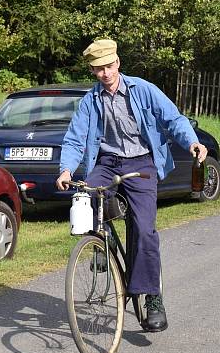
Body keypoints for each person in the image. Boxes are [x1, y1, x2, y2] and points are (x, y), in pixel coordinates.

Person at [56, 38, 207, 332]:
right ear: (92, 70)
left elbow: (172, 118)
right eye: (98, 69)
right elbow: (75, 138)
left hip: (141, 163)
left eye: (109, 66)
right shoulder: (91, 100)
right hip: (107, 162)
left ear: (118, 63)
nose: (105, 73)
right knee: (84, 196)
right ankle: (102, 247)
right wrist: (66, 169)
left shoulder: (143, 90)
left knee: (145, 230)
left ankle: (152, 298)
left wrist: (192, 142)